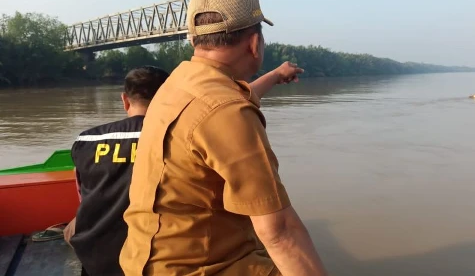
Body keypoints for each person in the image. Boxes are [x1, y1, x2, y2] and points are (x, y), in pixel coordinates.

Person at [119, 0, 327, 276]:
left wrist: (275, 76)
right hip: (206, 268)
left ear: (195, 40)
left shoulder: (178, 84)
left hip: (144, 262)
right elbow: (279, 232)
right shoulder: (227, 111)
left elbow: (222, 105)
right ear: (254, 43)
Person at [65, 61, 305, 276]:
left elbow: (81, 195)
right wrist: (275, 75)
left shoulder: (86, 141)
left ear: (125, 100)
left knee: (70, 227)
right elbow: (235, 101)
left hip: (95, 257)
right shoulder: (181, 132)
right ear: (167, 96)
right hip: (150, 259)